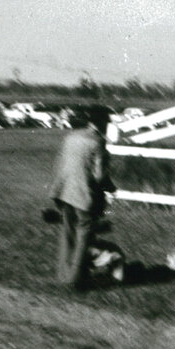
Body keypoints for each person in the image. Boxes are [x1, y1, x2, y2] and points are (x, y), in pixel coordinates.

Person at [48, 105, 115, 290]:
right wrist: (111, 187)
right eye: (106, 123)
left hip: (62, 191)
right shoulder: (98, 141)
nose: (107, 126)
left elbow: (60, 163)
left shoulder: (71, 137)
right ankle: (75, 280)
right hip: (83, 194)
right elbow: (99, 176)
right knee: (83, 235)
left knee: (66, 233)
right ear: (101, 123)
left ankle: (63, 276)